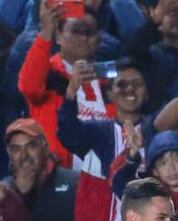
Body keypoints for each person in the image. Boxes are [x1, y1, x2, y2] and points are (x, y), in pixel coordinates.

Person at [58, 57, 154, 221]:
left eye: (137, 84)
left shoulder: (156, 132)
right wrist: (71, 91)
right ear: (109, 94)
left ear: (146, 94)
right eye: (121, 85)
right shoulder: (98, 132)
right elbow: (68, 134)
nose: (129, 90)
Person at [17, 2, 112, 167]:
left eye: (89, 33)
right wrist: (46, 33)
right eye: (76, 31)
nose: (83, 38)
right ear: (59, 35)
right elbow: (28, 87)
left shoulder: (110, 82)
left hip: (102, 179)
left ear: (99, 39)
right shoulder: (46, 73)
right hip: (58, 176)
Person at [2, 118, 83, 221]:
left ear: (45, 147)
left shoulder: (74, 183)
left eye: (31, 146)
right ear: (9, 154)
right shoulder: (4, 193)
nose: (24, 155)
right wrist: (20, 196)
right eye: (16, 149)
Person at [122, 0, 178, 113]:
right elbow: (131, 52)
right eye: (172, 13)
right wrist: (158, 15)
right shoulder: (151, 54)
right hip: (157, 119)